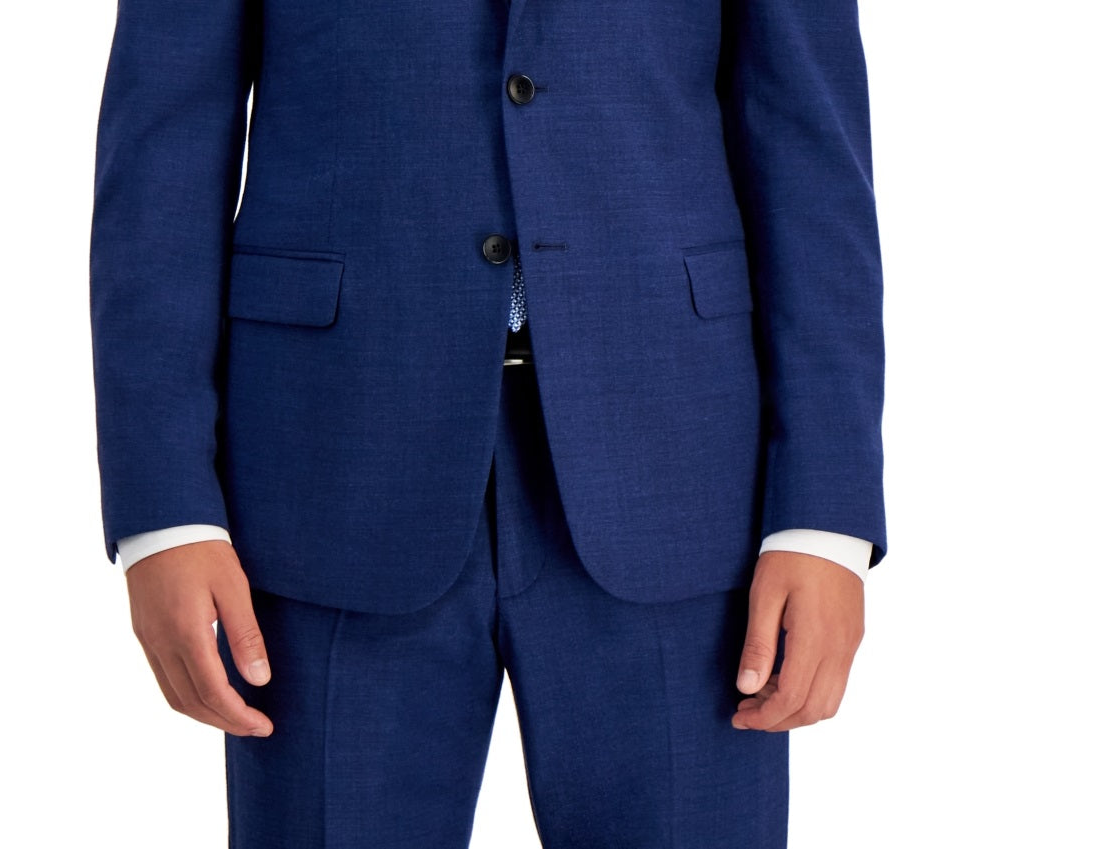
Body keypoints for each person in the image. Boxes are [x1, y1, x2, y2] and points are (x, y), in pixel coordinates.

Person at [89, 0, 886, 845]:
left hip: (676, 467)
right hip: (333, 461)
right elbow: (163, 142)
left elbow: (810, 145)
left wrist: (824, 513)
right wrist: (164, 508)